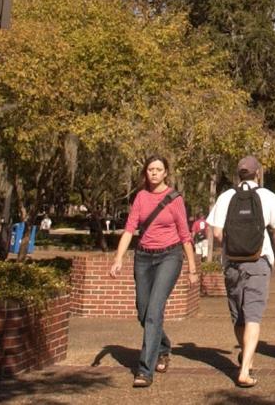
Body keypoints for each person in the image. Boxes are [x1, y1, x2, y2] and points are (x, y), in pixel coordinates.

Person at [110, 155, 198, 389]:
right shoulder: (140, 197)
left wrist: (192, 268)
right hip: (143, 257)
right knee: (143, 310)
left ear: (166, 173)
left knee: (154, 310)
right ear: (145, 173)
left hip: (169, 256)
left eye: (159, 169)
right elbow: (129, 230)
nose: (154, 173)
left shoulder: (175, 199)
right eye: (151, 169)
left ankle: (145, 370)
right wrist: (118, 259)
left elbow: (185, 235)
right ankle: (163, 346)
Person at [207, 155, 275, 389]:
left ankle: (247, 356)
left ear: (238, 174)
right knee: (254, 314)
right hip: (258, 260)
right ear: (257, 173)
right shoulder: (267, 196)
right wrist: (271, 249)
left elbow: (216, 233)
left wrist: (231, 246)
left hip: (232, 262)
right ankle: (245, 369)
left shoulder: (226, 197)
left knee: (239, 316)